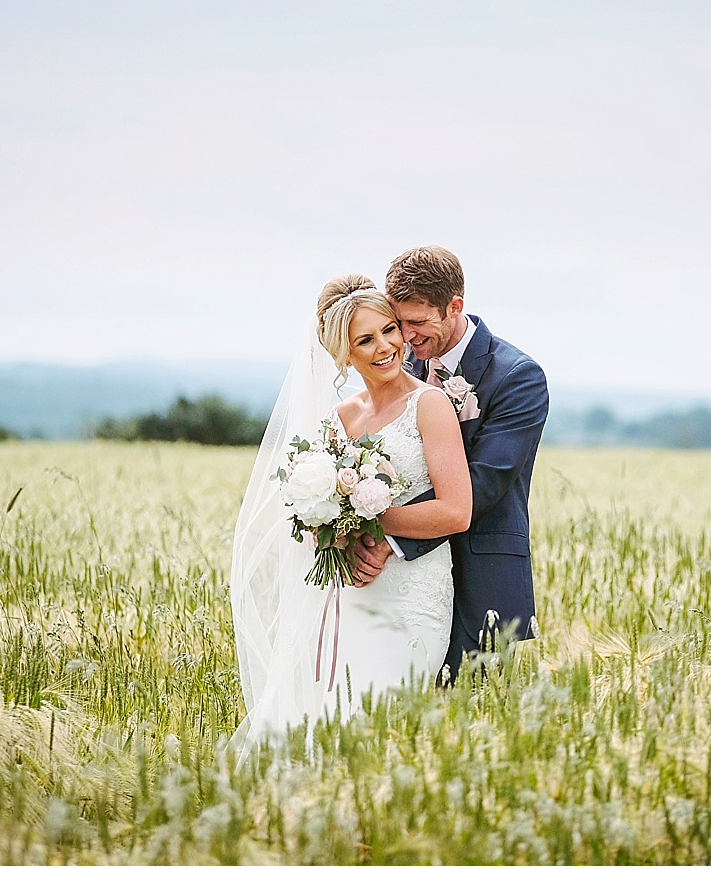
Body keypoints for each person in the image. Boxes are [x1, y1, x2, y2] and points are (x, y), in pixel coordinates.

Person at [230, 274, 472, 748]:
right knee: (336, 724)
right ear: (344, 353)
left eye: (389, 330)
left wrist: (369, 521)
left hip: (413, 596)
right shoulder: (342, 419)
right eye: (366, 339)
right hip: (349, 599)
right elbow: (319, 515)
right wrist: (336, 530)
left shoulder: (430, 404)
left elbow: (456, 511)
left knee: (385, 727)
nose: (386, 347)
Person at [352, 246, 549, 682]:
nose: (404, 335)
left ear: (455, 306)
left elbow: (482, 484)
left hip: (480, 576)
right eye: (397, 322)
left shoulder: (518, 377)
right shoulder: (397, 362)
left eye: (417, 323)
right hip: (396, 585)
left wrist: (384, 533)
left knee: (467, 726)